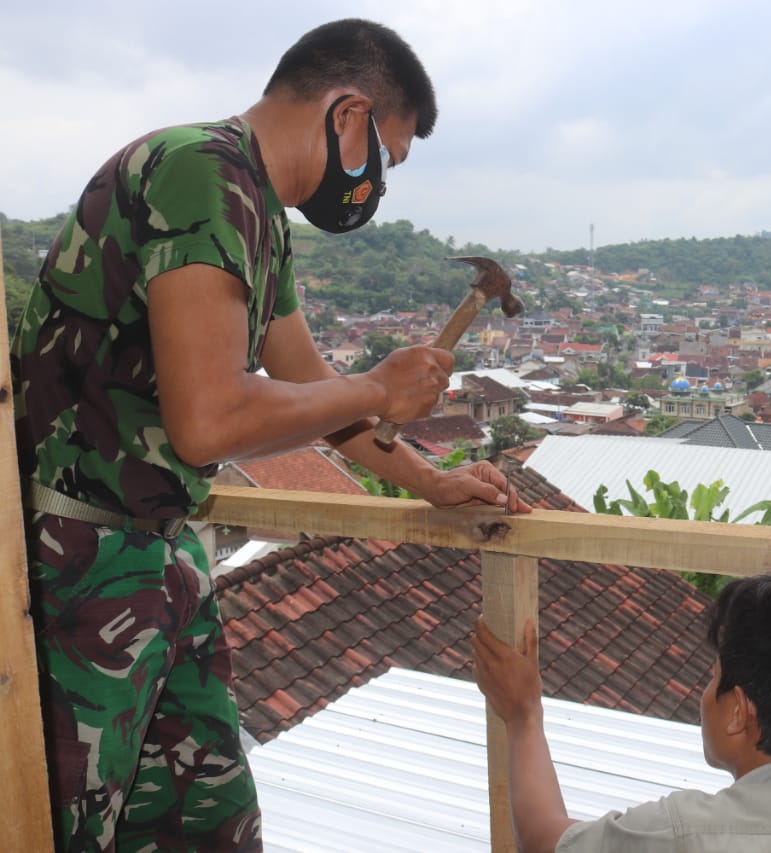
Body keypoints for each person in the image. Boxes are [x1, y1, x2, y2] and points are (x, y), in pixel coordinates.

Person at [11, 18, 529, 852]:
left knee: (211, 825)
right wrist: (378, 385)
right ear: (350, 116)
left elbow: (311, 393)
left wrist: (429, 481)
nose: (375, 186)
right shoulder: (198, 173)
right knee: (66, 828)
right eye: (385, 159)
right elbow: (209, 418)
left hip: (163, 556)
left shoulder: (257, 213)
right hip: (81, 561)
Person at [473, 568, 771, 852]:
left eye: (714, 677)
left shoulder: (685, 834)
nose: (704, 695)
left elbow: (543, 841)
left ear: (739, 711)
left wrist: (523, 715)